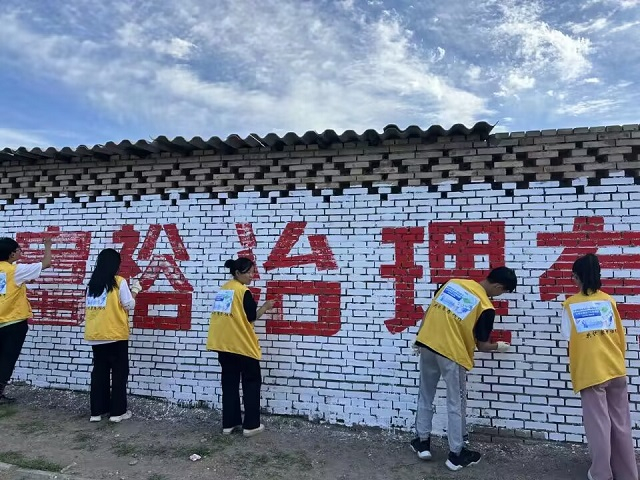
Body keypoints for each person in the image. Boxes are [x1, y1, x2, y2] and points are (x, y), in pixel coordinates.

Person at [410, 267, 517, 471]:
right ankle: (456, 454)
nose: (499, 295)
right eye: (502, 291)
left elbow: (431, 310)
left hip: (427, 344)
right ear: (497, 286)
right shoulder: (485, 306)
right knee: (455, 403)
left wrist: (419, 337)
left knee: (425, 394)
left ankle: (422, 443)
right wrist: (500, 346)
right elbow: (482, 345)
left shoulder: (453, 283)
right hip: (451, 354)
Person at [560, 254, 638, 480]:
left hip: (591, 372)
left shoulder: (571, 304)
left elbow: (568, 337)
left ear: (577, 277)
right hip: (615, 367)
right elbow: (619, 336)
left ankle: (601, 473)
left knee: (599, 428)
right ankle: (627, 473)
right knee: (621, 424)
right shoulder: (608, 301)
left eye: (573, 277)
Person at [206, 258, 274, 437]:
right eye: (249, 272)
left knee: (229, 384)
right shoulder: (243, 291)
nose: (252, 276)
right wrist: (266, 306)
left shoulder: (224, 289)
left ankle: (230, 424)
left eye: (253, 271)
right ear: (238, 273)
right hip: (242, 345)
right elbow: (251, 317)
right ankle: (251, 425)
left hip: (223, 345)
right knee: (251, 383)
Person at [84, 249, 142, 423]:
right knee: (119, 373)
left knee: (99, 373)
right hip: (115, 334)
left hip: (96, 334)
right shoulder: (119, 282)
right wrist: (136, 290)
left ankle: (97, 411)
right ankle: (117, 413)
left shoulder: (92, 284)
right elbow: (128, 304)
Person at [0, 236, 53, 404]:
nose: (20, 252)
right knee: (8, 359)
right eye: (18, 250)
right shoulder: (15, 271)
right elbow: (46, 263)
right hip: (13, 323)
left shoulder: (11, 271)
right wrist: (48, 246)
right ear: (11, 254)